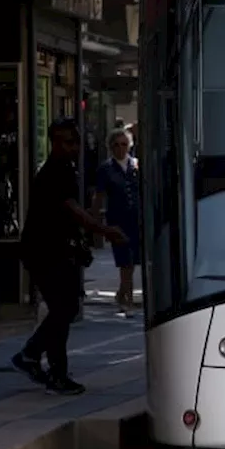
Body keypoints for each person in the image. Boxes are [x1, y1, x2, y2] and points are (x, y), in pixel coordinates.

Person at [11, 118, 127, 395]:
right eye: (67, 141)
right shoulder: (54, 172)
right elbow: (72, 209)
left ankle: (38, 358)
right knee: (64, 309)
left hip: (58, 249)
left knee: (66, 308)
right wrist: (104, 230)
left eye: (76, 141)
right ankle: (50, 367)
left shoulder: (66, 168)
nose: (73, 147)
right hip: (45, 251)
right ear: (54, 142)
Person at [93, 128, 140, 318]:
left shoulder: (136, 165)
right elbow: (99, 195)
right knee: (124, 261)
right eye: (116, 145)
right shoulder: (106, 169)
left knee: (132, 261)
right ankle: (126, 298)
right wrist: (97, 222)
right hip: (117, 220)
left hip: (135, 219)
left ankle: (122, 293)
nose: (121, 148)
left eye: (124, 144)